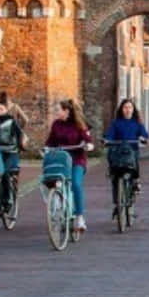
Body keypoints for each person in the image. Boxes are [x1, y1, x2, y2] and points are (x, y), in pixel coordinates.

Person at [44, 98, 94, 235]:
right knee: (54, 182)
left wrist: (88, 145)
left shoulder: (78, 124)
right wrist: (46, 148)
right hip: (61, 161)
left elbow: (87, 139)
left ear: (66, 111)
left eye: (58, 110)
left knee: (76, 185)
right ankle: (59, 203)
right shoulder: (56, 125)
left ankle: (79, 217)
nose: (56, 112)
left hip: (77, 159)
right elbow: (50, 141)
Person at [104, 97, 149, 214]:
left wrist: (143, 138)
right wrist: (107, 140)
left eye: (130, 107)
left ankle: (136, 181)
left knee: (134, 164)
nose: (127, 110)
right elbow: (110, 134)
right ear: (121, 109)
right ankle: (117, 203)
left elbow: (144, 134)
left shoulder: (137, 123)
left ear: (133, 109)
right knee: (115, 177)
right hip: (119, 151)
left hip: (132, 150)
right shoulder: (116, 123)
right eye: (125, 107)